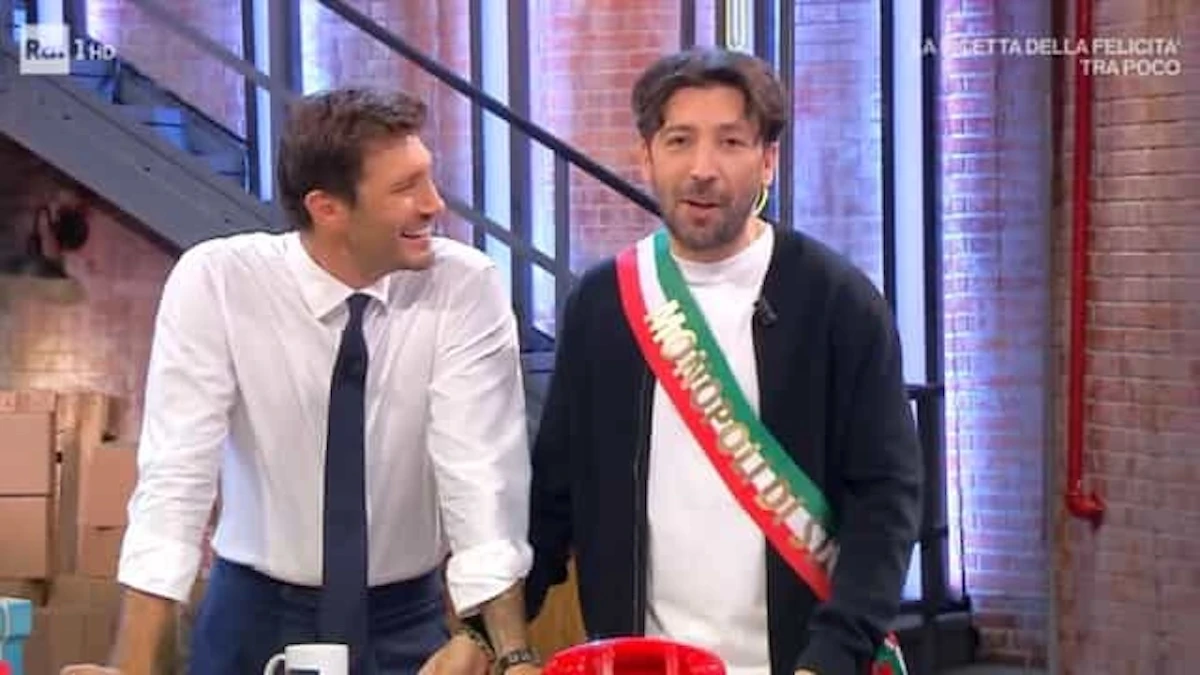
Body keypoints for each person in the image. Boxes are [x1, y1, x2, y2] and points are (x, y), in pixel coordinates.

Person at [64, 88, 540, 675]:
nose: (434, 204)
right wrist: (133, 666)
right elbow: (175, 480)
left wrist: (498, 645)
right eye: (405, 187)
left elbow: (481, 476)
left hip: (404, 620)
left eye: (428, 178)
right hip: (253, 617)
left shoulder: (465, 286)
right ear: (327, 208)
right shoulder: (218, 282)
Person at [523, 48, 923, 675]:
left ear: (768, 160)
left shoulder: (838, 301)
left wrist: (833, 656)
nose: (702, 170)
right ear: (647, 155)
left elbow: (886, 498)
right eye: (679, 141)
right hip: (648, 662)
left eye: (731, 142)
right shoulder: (602, 305)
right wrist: (489, 632)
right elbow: (554, 493)